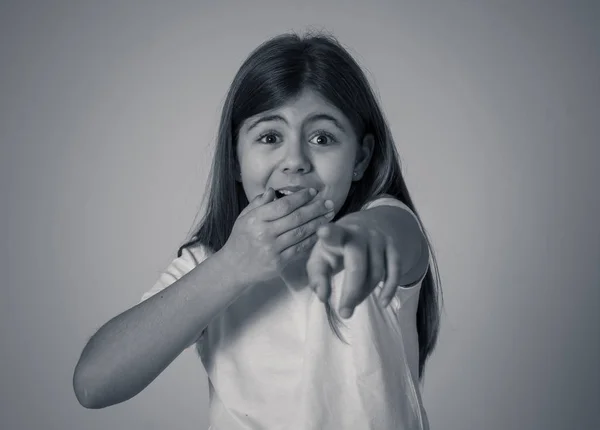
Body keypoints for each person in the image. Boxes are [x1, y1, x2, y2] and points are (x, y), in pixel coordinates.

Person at [73, 31, 442, 430]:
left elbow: (397, 234)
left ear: (360, 158)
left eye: (322, 138)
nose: (295, 160)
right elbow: (94, 384)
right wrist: (232, 267)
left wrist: (363, 235)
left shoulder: (379, 222)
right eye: (270, 137)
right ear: (235, 158)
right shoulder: (210, 260)